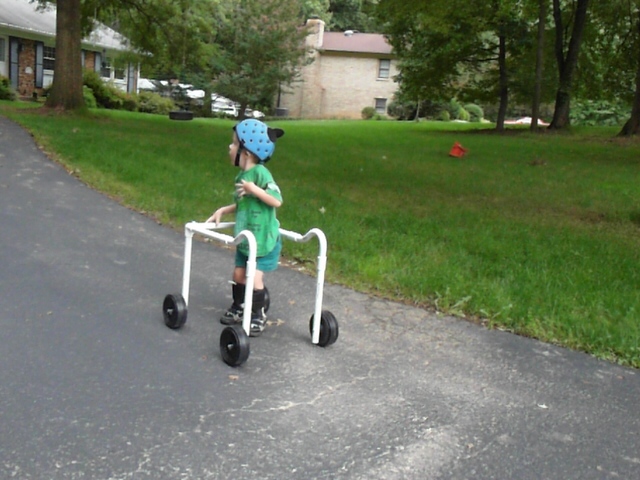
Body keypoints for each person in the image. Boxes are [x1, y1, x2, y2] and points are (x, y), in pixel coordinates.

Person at [207, 119, 285, 336]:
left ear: (247, 152)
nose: (229, 147)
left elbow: (276, 200)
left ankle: (258, 314)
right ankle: (239, 306)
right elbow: (244, 204)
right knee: (239, 274)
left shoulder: (261, 173)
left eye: (234, 143)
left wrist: (254, 189)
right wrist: (224, 210)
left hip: (264, 240)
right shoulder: (242, 176)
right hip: (247, 239)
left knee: (254, 277)